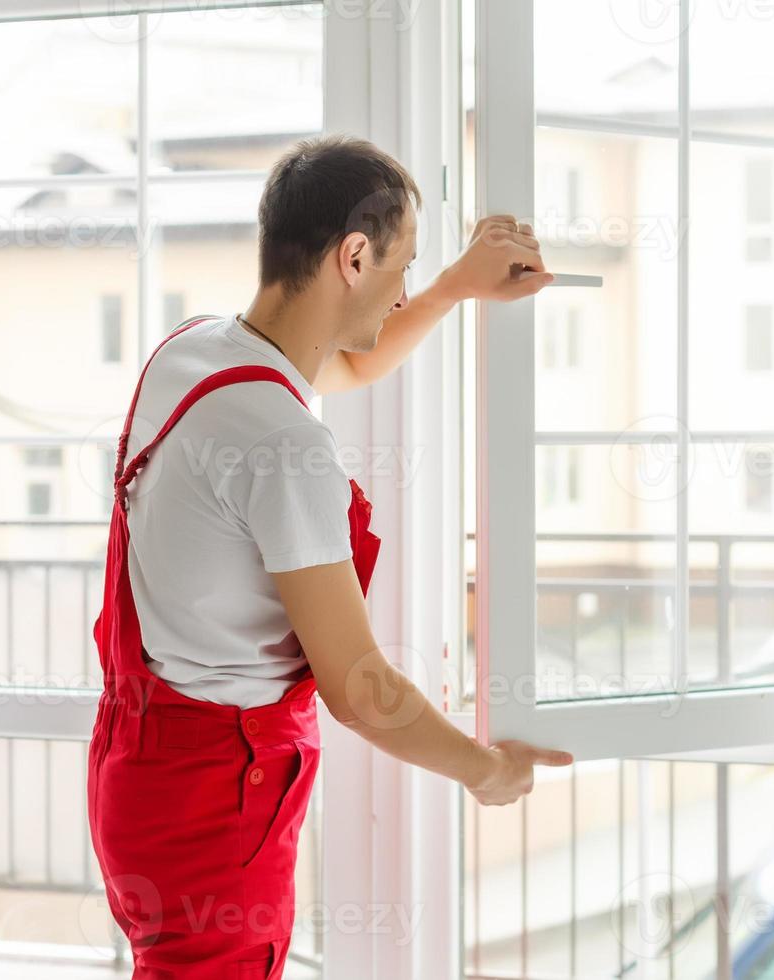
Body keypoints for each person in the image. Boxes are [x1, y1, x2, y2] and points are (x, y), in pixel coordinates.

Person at [86, 134, 574, 979]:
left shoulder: (199, 352)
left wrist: (457, 286)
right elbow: (362, 688)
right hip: (217, 803)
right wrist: (484, 770)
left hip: (140, 771)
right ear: (354, 255)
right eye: (402, 269)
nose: (404, 291)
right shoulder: (285, 444)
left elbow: (340, 364)